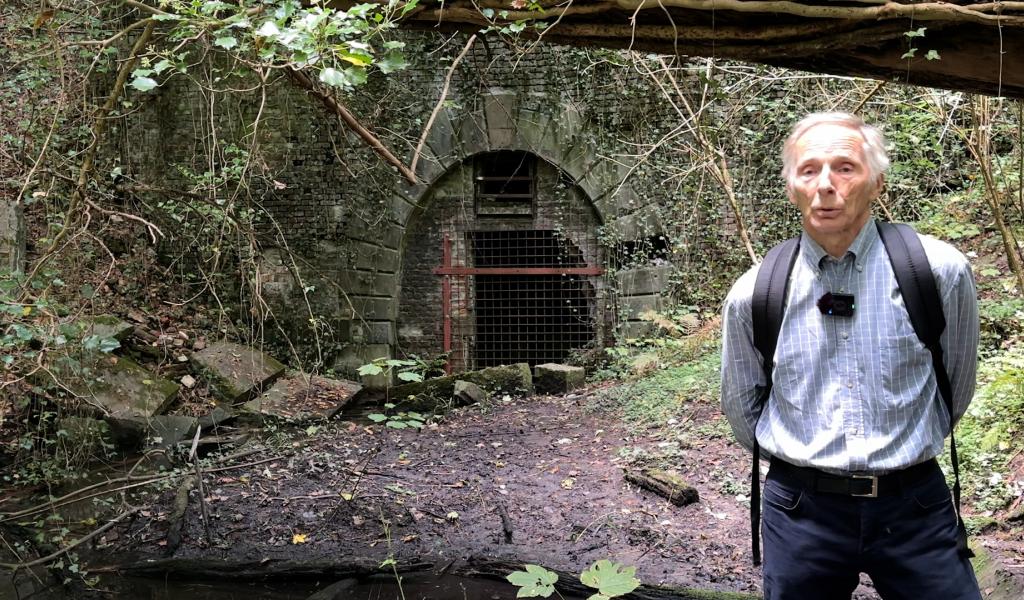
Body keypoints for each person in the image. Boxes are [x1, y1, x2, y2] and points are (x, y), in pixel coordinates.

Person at [720, 112, 981, 600]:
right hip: (801, 512)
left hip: (915, 507)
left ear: (876, 181)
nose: (825, 185)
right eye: (809, 169)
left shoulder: (938, 272)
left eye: (844, 167)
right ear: (790, 186)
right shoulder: (754, 292)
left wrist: (902, 448)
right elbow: (743, 408)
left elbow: (955, 382)